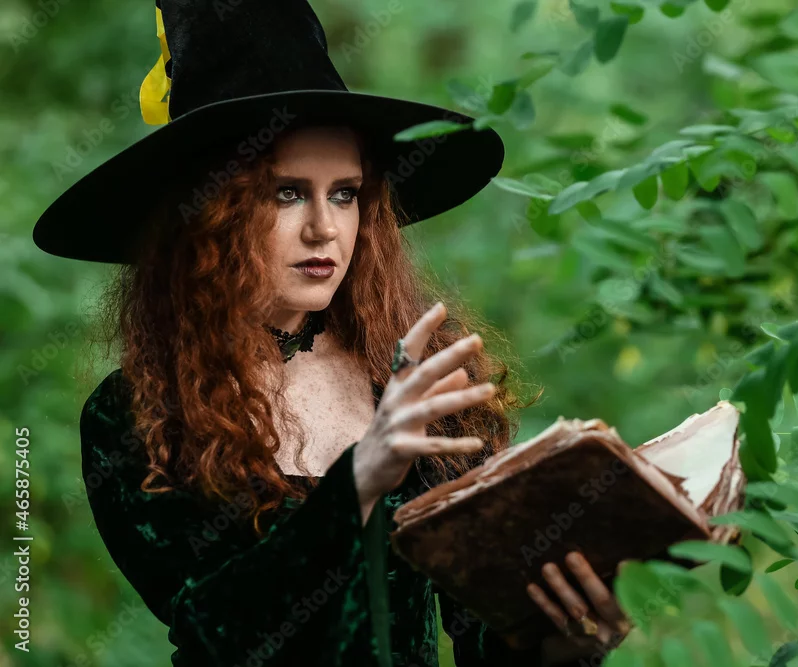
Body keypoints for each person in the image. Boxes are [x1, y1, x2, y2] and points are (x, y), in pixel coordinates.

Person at [34, 1, 633, 665]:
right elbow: (219, 629)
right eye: (287, 193)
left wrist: (565, 644)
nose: (325, 228)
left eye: (345, 193)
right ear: (208, 216)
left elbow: (486, 637)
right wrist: (360, 480)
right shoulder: (137, 414)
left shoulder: (413, 372)